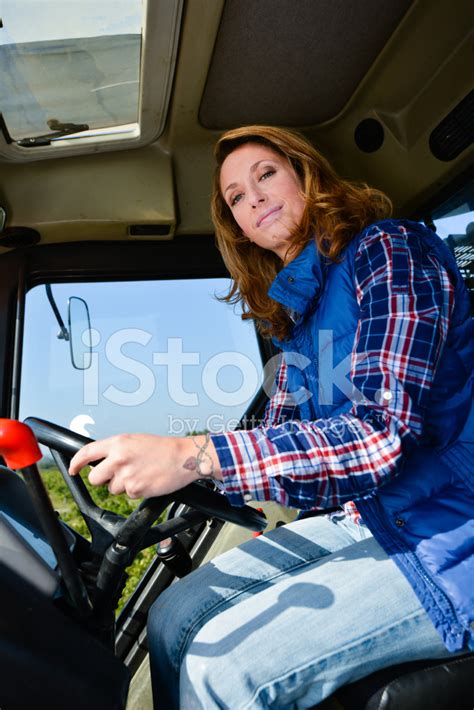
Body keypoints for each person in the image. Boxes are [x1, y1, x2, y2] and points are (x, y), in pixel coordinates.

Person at [69, 125, 474, 708]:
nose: (252, 197)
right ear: (236, 227)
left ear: (306, 174)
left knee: (223, 669)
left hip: (446, 528)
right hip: (370, 516)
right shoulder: (296, 321)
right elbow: (276, 435)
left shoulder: (389, 251)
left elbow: (378, 436)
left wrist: (194, 455)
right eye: (235, 197)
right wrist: (167, 463)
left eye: (265, 175)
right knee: (172, 616)